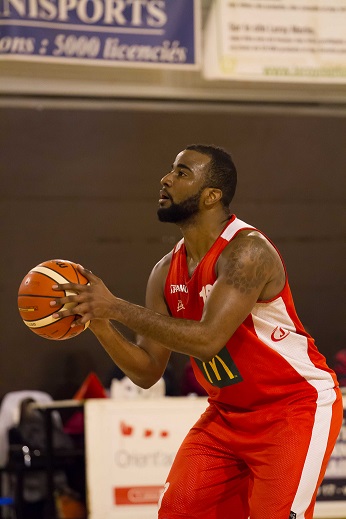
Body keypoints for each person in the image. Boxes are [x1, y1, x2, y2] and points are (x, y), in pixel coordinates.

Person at [50, 144, 343, 519]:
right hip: (228, 414)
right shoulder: (164, 271)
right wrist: (100, 321)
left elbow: (207, 340)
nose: (166, 178)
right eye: (171, 170)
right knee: (178, 511)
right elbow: (146, 372)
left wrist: (116, 306)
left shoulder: (247, 253)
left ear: (212, 196)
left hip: (292, 409)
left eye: (182, 172)